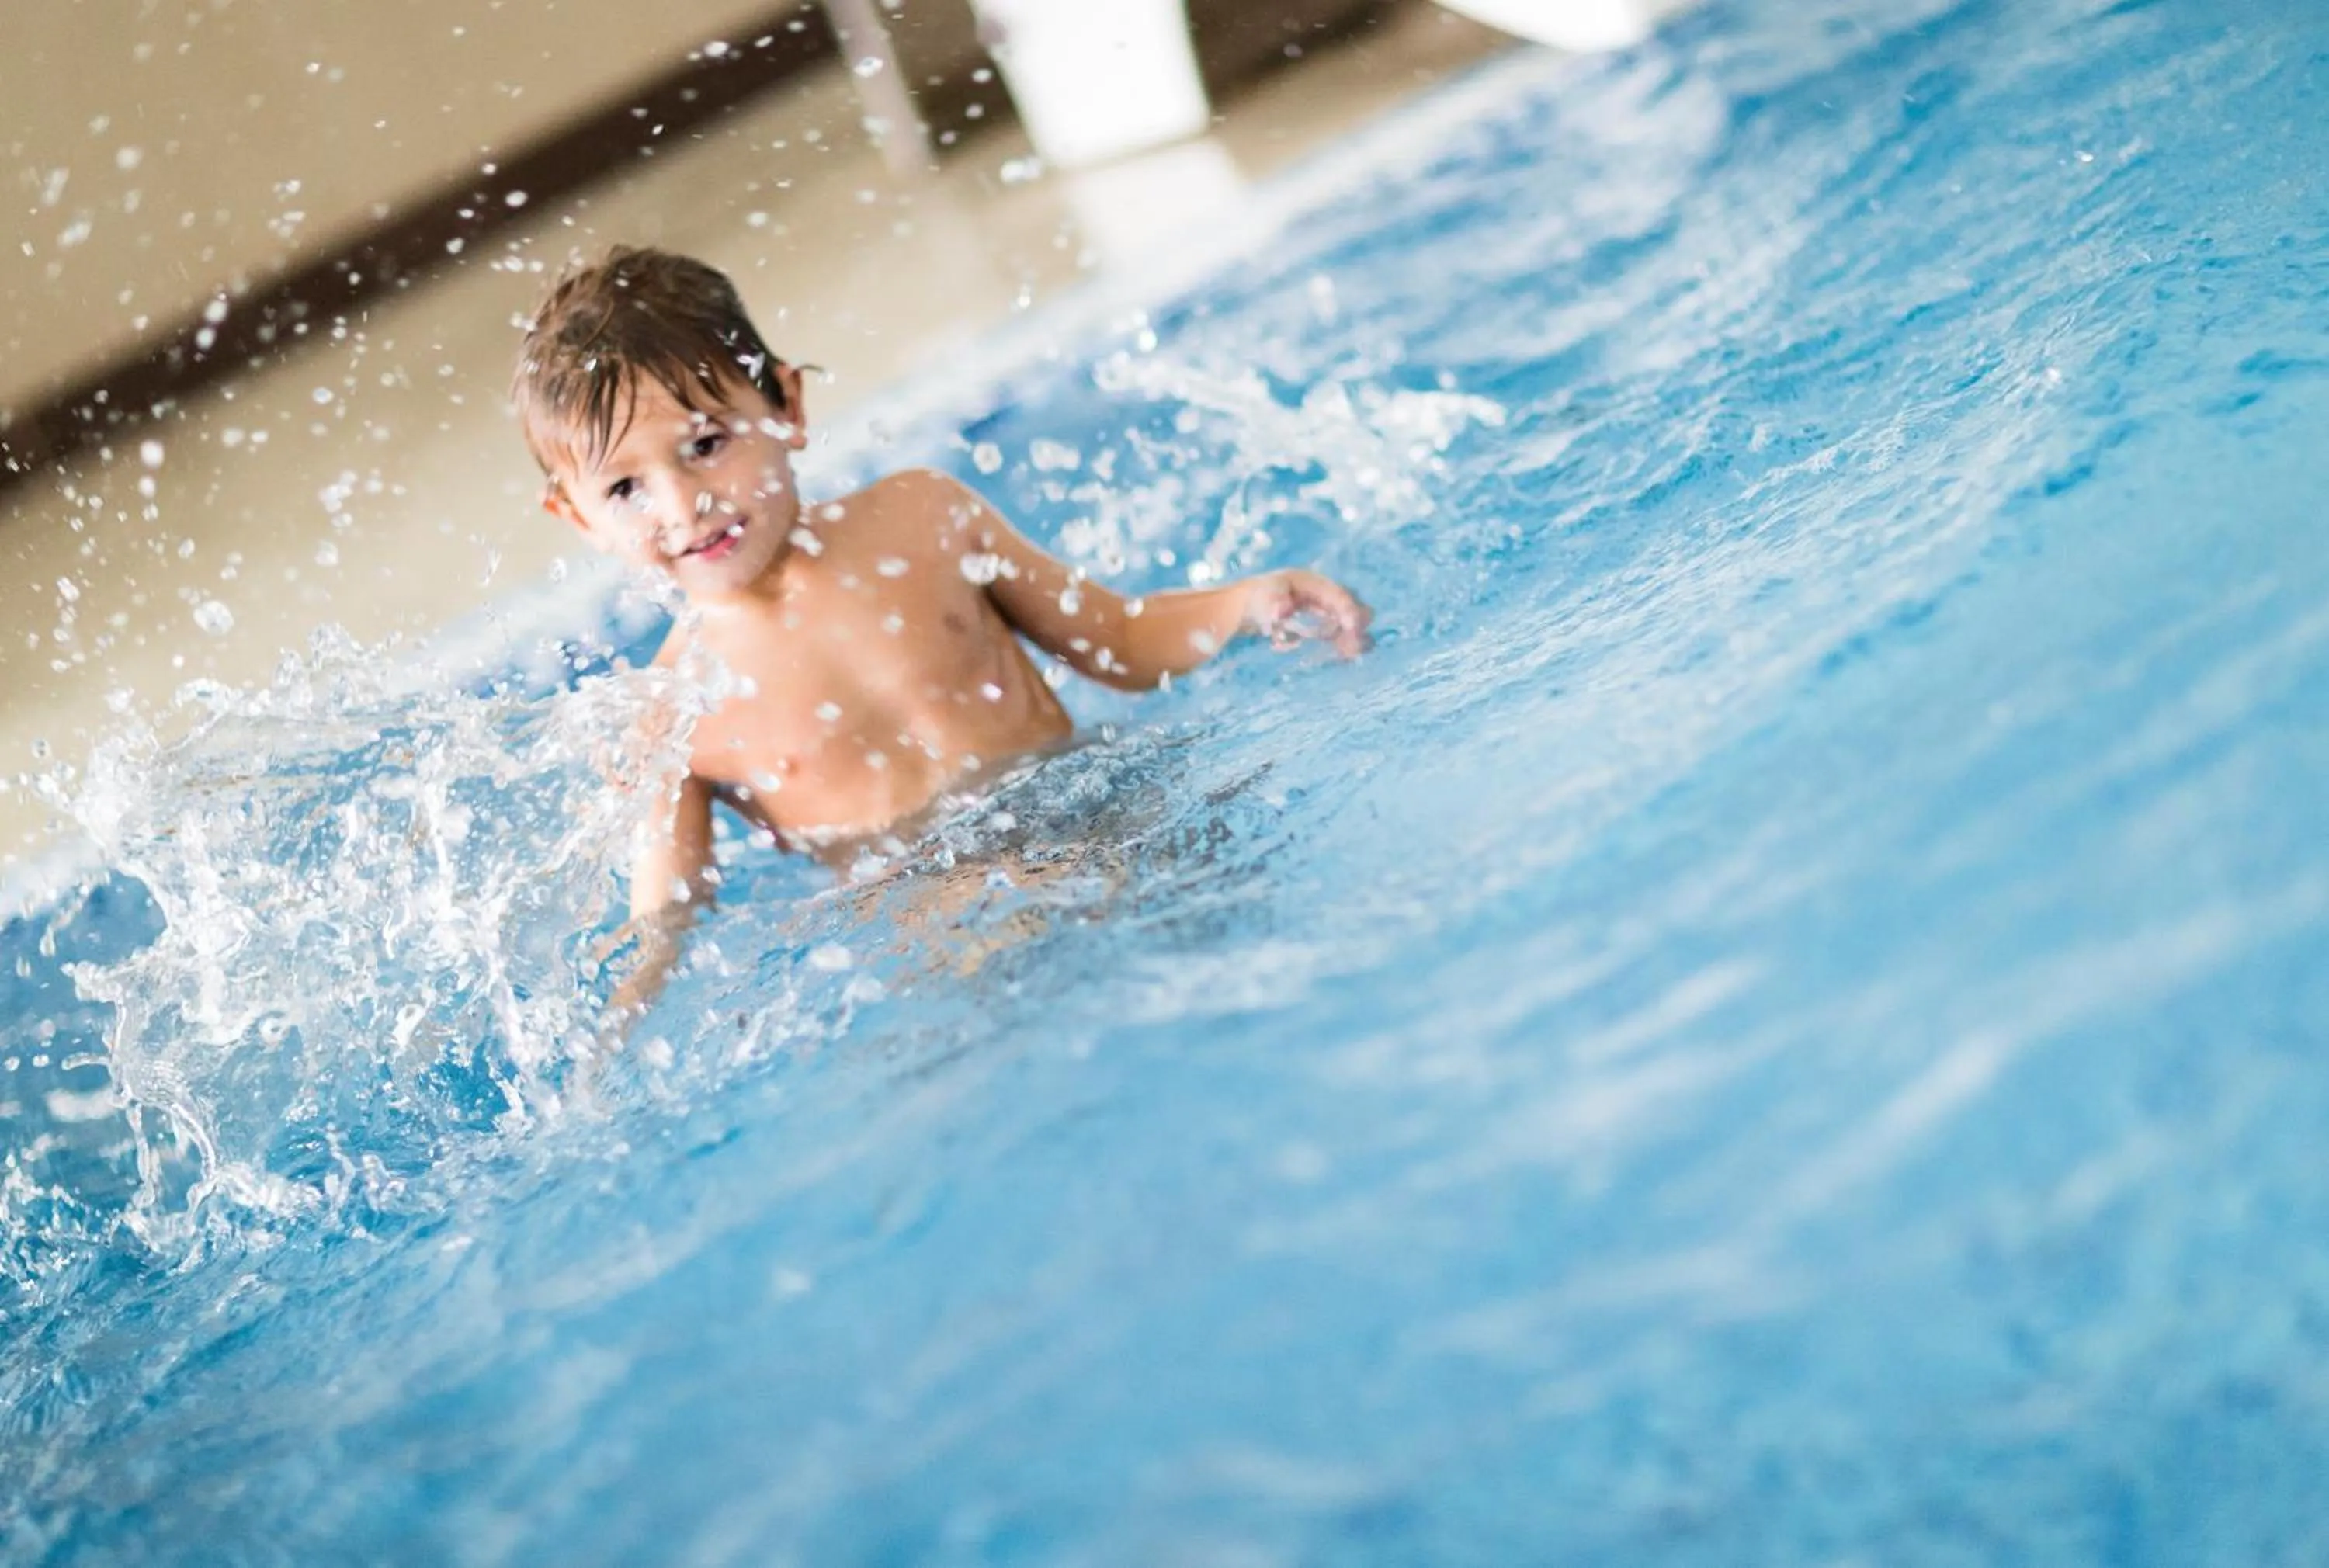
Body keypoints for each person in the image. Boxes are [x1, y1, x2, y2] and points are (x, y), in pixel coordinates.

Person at [512, 246, 1370, 1002]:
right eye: (625, 489)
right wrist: (619, 1027)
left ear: (787, 407)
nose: (684, 503)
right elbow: (667, 919)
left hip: (1111, 824)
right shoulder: (670, 714)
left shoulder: (923, 519)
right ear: (579, 518)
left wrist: (1249, 603)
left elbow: (1120, 640)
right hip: (955, 940)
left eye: (706, 443)